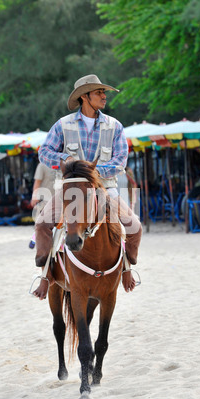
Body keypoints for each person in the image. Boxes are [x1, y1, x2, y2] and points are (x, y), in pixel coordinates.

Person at [34, 74, 142, 300]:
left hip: (105, 188)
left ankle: (126, 268)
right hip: (71, 189)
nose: (104, 96)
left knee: (135, 227)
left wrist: (92, 173)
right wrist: (68, 161)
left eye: (103, 92)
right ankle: (45, 275)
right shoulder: (63, 124)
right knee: (42, 224)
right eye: (99, 92)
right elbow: (44, 152)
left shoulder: (115, 126)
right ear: (85, 97)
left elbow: (121, 160)